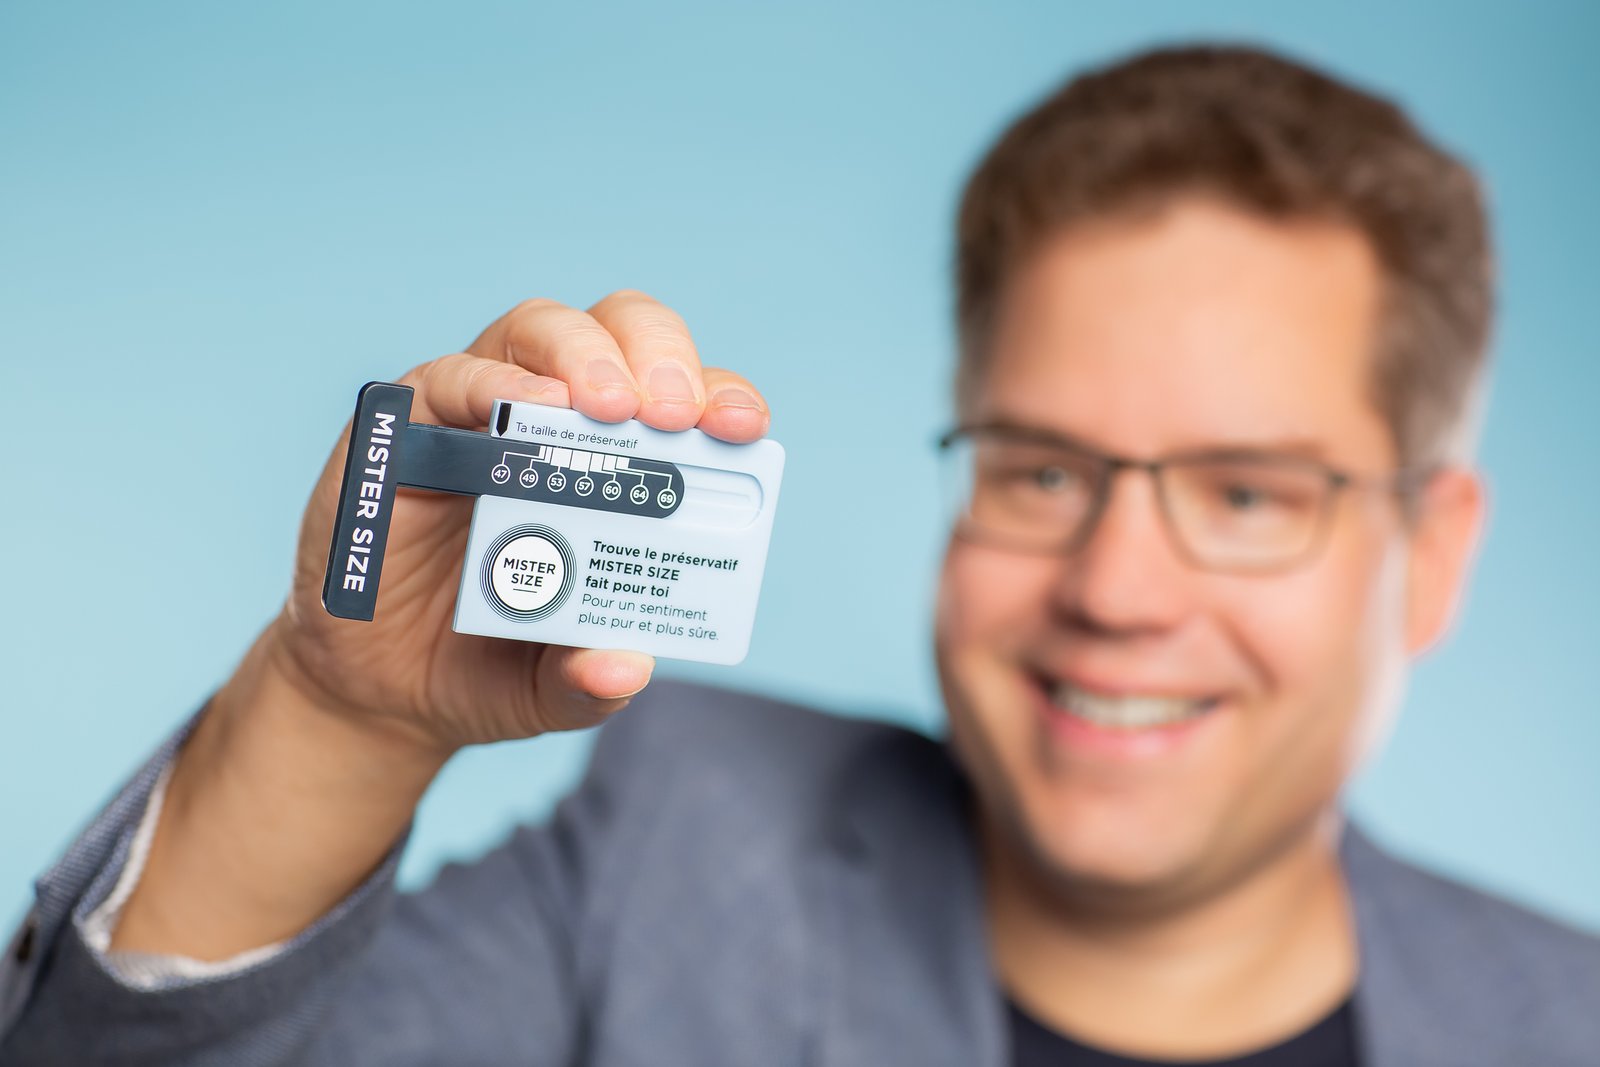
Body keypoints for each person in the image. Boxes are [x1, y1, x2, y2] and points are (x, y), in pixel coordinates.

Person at [2, 43, 1596, 1067]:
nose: (1116, 590)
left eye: (1247, 495)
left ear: (1433, 554)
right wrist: (341, 712)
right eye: (1040, 468)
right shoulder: (682, 849)